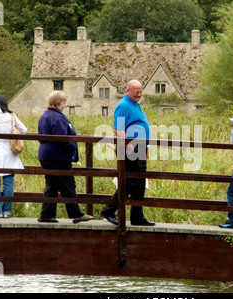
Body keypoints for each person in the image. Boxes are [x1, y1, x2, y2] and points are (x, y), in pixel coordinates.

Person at [100, 80, 155, 226]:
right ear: (128, 90)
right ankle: (108, 210)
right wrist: (128, 145)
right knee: (130, 182)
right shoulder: (123, 106)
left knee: (140, 182)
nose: (139, 94)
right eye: (136, 92)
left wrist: (147, 147)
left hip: (140, 147)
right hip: (131, 148)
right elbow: (118, 128)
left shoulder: (134, 104)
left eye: (140, 91)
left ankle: (137, 216)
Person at [37, 91, 93, 223]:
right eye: (63, 103)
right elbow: (61, 138)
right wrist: (72, 146)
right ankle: (76, 214)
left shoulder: (45, 116)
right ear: (57, 103)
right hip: (58, 157)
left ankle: (47, 214)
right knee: (68, 183)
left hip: (45, 155)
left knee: (52, 185)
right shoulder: (57, 117)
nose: (64, 106)